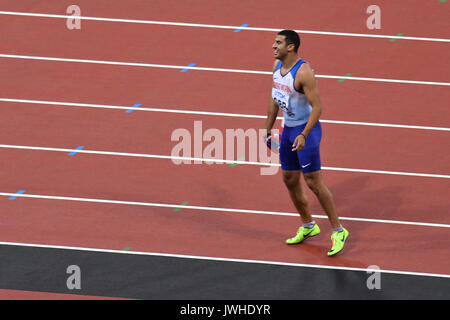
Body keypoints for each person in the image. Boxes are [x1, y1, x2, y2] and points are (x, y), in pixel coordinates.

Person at [265, 30, 348, 256]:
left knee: (313, 182)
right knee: (289, 178)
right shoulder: (276, 66)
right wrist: (267, 128)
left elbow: (318, 108)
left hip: (306, 131)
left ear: (290, 47)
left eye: (278, 42)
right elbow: (275, 99)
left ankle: (338, 231)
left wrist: (303, 135)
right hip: (288, 129)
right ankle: (309, 226)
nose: (273, 46)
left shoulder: (303, 73)